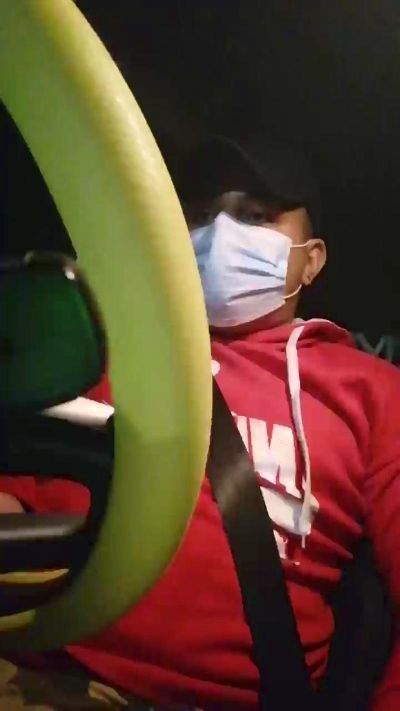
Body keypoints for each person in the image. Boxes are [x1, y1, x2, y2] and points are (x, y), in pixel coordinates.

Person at [0, 134, 400, 711]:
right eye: (202, 215)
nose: (221, 234)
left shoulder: (370, 390)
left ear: (311, 259)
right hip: (41, 675)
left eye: (255, 215)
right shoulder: (100, 343)